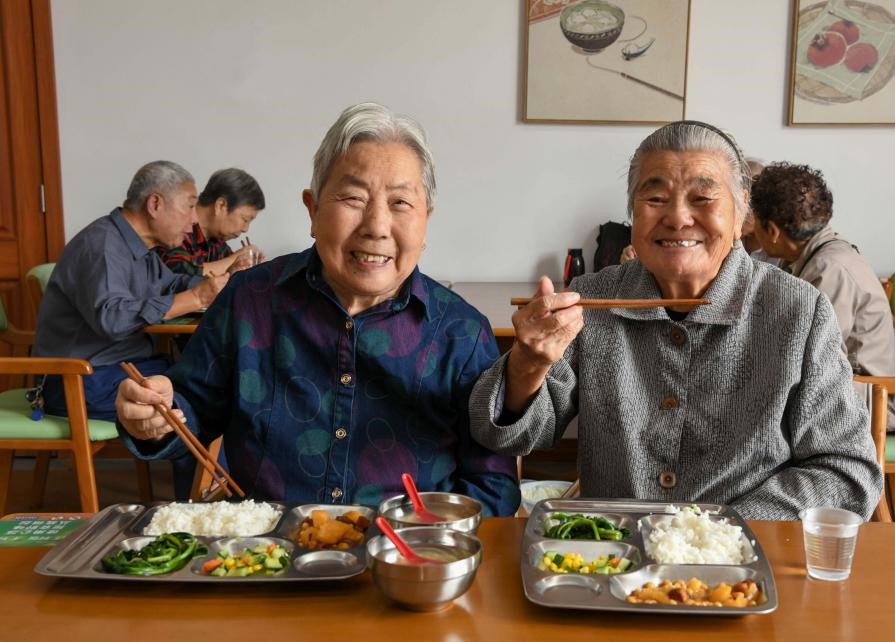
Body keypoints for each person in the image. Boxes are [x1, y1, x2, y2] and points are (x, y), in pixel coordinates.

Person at [115, 103, 520, 515]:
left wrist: (437, 539)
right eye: (353, 198)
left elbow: (492, 487)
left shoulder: (461, 332)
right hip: (268, 545)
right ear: (313, 209)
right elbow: (191, 406)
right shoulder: (250, 300)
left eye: (400, 203)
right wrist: (157, 415)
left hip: (406, 549)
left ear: (425, 221)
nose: (376, 226)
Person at [469, 121, 882, 520]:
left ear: (741, 215)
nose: (678, 217)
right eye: (655, 198)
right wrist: (527, 364)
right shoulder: (592, 299)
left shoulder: (798, 311)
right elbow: (510, 436)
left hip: (743, 557)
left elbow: (847, 474)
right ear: (633, 212)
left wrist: (716, 530)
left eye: (702, 198)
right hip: (614, 553)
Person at [33, 160, 229, 419]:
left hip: (122, 369)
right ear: (155, 204)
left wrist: (223, 283)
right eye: (190, 205)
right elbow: (113, 319)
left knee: (212, 380)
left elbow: (171, 284)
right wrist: (195, 297)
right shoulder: (102, 245)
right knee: (201, 397)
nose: (194, 220)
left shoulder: (140, 248)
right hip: (80, 379)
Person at [751, 162, 895, 430]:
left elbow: (815, 358)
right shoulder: (807, 258)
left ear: (772, 231)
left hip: (870, 401)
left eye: (754, 221)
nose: (751, 231)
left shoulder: (830, 269)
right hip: (845, 389)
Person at [157, 168, 266, 277]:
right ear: (221, 205)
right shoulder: (176, 227)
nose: (245, 229)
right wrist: (236, 259)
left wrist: (250, 267)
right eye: (245, 219)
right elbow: (176, 273)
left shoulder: (217, 241)